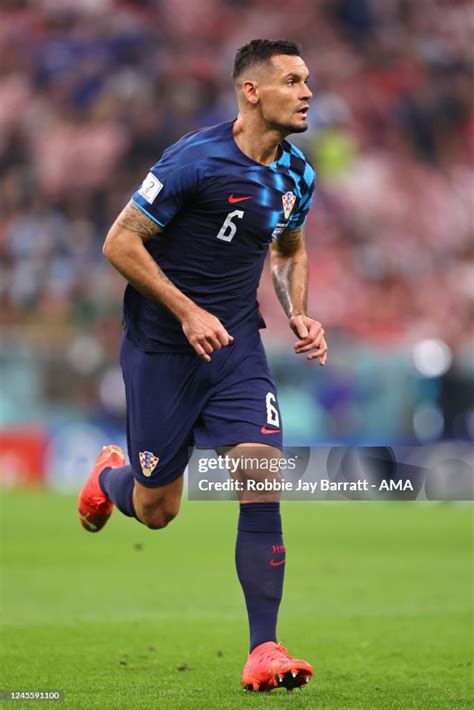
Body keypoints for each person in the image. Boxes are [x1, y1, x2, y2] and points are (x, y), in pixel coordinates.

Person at [78, 38, 328, 693]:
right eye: (293, 81)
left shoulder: (297, 173)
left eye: (308, 81)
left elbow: (290, 249)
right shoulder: (194, 160)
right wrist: (187, 310)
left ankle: (263, 648)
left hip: (237, 347)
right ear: (252, 91)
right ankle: (110, 481)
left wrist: (298, 312)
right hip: (163, 350)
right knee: (157, 510)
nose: (307, 92)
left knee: (261, 469)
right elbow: (119, 241)